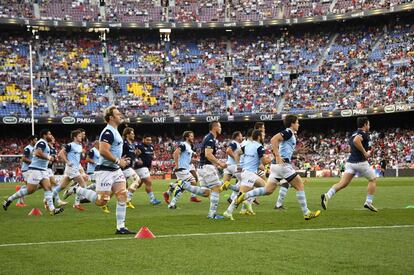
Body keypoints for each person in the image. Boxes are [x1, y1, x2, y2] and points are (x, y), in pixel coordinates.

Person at [235, 115, 321, 220]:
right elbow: (273, 139)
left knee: (268, 190)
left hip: (276, 166)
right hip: (283, 165)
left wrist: (297, 152)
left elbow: (285, 149)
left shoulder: (290, 134)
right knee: (300, 186)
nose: (299, 124)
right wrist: (277, 155)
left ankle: (244, 195)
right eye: (297, 122)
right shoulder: (288, 132)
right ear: (292, 124)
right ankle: (306, 213)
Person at [69, 106, 135, 234]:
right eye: (118, 114)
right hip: (105, 170)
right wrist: (118, 161)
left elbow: (112, 150)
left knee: (122, 195)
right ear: (111, 117)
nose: (120, 115)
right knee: (101, 201)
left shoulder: (115, 131)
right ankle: (77, 189)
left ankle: (120, 227)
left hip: (115, 170)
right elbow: (103, 151)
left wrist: (120, 161)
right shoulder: (108, 132)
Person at [321, 117, 378, 212]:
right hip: (360, 162)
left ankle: (327, 195)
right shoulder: (363, 134)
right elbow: (356, 141)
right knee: (372, 180)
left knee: (342, 183)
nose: (369, 126)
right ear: (365, 125)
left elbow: (351, 148)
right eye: (368, 124)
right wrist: (365, 152)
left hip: (350, 163)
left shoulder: (353, 133)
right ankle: (368, 202)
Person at [3, 129, 64, 215]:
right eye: (49, 134)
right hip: (35, 170)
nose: (51, 136)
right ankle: (9, 199)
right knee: (30, 190)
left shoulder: (45, 144)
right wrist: (49, 158)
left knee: (48, 188)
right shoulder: (41, 143)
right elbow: (38, 153)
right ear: (44, 135)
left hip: (43, 170)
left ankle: (52, 209)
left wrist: (51, 159)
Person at [173, 121, 228, 219]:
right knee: (216, 188)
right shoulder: (210, 139)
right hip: (207, 167)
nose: (221, 128)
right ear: (215, 127)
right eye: (219, 126)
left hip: (201, 168)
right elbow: (208, 154)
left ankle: (184, 185)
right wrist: (219, 163)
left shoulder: (207, 137)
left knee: (206, 192)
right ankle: (212, 214)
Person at [224, 130, 271, 220]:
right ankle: (229, 211)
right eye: (263, 135)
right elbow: (264, 162)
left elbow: (237, 153)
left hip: (247, 173)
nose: (264, 136)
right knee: (241, 195)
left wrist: (238, 165)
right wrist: (271, 159)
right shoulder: (259, 147)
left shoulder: (247, 145)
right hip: (249, 174)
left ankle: (247, 200)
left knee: (266, 187)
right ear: (259, 137)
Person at [52, 130, 88, 211]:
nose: (81, 137)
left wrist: (82, 154)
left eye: (81, 136)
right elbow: (61, 153)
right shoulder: (70, 145)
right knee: (83, 183)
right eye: (79, 136)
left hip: (75, 168)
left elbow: (78, 157)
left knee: (62, 186)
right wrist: (67, 161)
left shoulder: (80, 145)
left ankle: (48, 198)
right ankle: (78, 202)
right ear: (75, 137)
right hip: (71, 168)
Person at [167, 131, 200, 209]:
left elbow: (187, 160)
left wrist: (193, 160)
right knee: (193, 181)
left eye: (193, 136)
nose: (193, 138)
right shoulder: (184, 144)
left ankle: (172, 200)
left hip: (185, 169)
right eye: (191, 136)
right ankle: (174, 198)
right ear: (187, 137)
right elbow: (175, 153)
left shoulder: (189, 147)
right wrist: (177, 165)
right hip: (181, 169)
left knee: (182, 186)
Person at [133, 134, 161, 205]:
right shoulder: (139, 146)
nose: (149, 141)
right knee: (148, 182)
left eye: (150, 140)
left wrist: (151, 166)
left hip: (146, 168)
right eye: (147, 140)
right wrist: (137, 160)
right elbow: (133, 155)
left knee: (137, 185)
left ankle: (126, 195)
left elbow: (150, 158)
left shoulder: (151, 147)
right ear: (143, 139)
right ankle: (152, 199)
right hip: (140, 167)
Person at [121, 127, 142, 209]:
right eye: (132, 133)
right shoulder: (123, 143)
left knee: (121, 187)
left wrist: (137, 155)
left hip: (128, 167)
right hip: (124, 167)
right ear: (127, 134)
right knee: (137, 180)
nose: (134, 135)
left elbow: (132, 156)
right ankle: (128, 200)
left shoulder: (132, 145)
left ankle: (104, 202)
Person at [17, 135, 37, 207]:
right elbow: (24, 159)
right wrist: (33, 163)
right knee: (29, 187)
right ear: (31, 141)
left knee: (30, 187)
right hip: (26, 170)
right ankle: (20, 201)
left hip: (31, 169)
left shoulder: (34, 148)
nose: (36, 141)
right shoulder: (28, 148)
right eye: (35, 140)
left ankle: (20, 200)